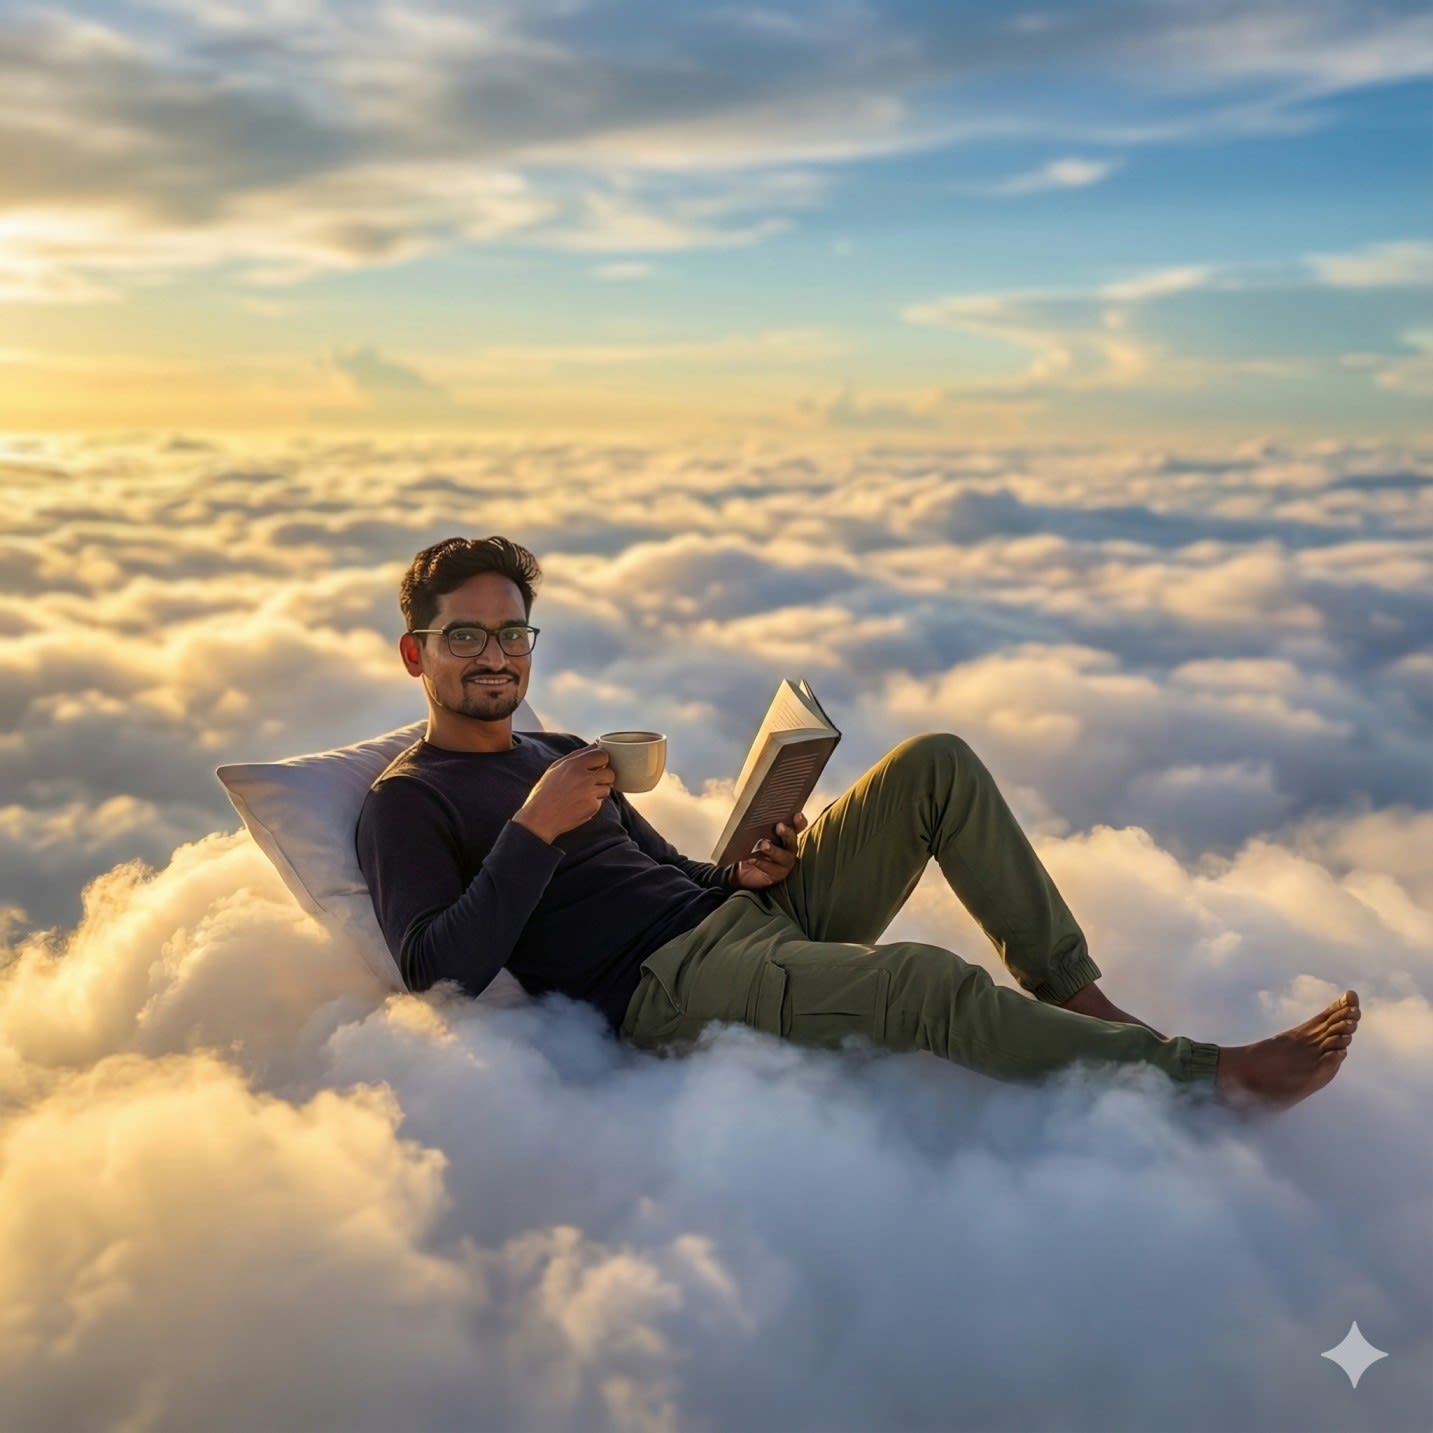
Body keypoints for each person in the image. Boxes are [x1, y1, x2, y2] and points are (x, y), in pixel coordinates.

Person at [357, 535, 1360, 1111]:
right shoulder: (409, 798)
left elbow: (668, 876)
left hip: (736, 927)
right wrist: (533, 829)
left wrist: (748, 875)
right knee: (919, 978)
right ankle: (1208, 1079)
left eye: (511, 631)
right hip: (667, 991)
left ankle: (1080, 1002)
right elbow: (434, 966)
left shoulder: (558, 748)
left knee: (934, 763)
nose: (495, 654)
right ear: (417, 654)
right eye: (465, 636)